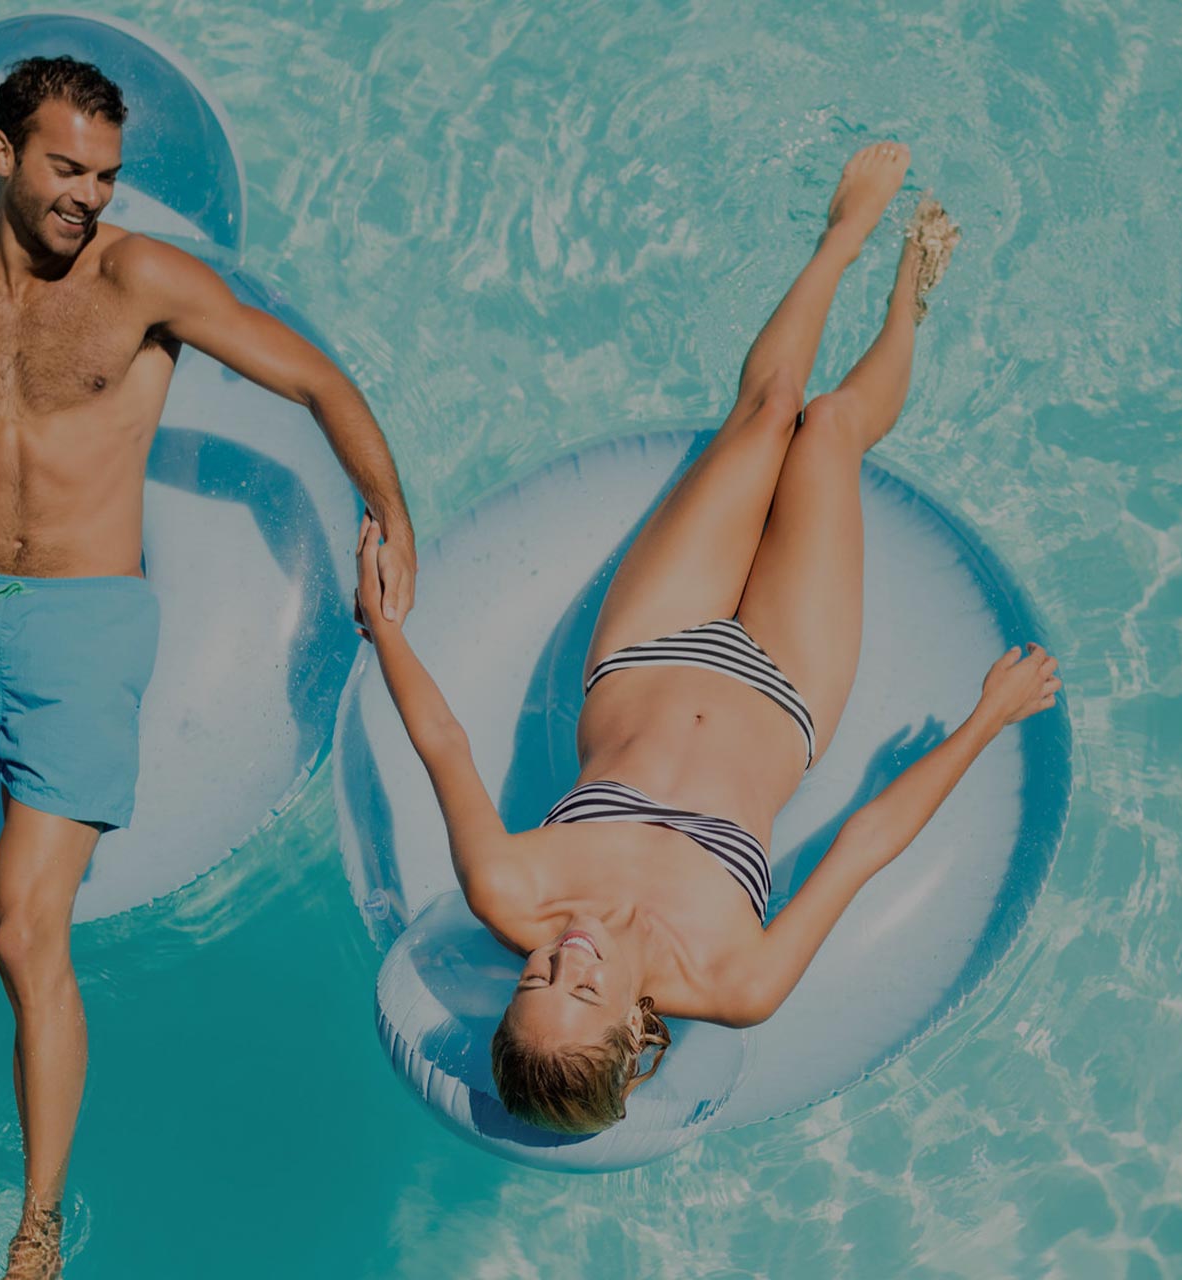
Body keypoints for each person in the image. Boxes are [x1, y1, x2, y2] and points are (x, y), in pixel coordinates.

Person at [0, 56, 417, 1279]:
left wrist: (387, 509)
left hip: (85, 623)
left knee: (20, 933)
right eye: (64, 169)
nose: (87, 197)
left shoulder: (143, 283)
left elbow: (308, 376)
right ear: (1, 155)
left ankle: (36, 1227)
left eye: (104, 174)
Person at [356, 142, 1060, 1136]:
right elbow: (861, 845)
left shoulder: (508, 891)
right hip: (788, 682)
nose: (565, 953)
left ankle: (843, 236)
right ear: (638, 1029)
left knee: (769, 410)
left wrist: (384, 628)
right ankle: (912, 291)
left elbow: (441, 744)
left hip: (649, 643)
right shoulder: (737, 976)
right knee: (826, 432)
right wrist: (986, 719)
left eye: (536, 976)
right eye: (582, 986)